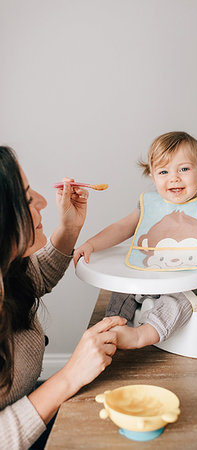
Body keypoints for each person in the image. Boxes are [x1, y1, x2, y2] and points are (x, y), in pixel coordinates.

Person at [74, 131, 197, 350]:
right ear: (153, 177)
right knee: (124, 289)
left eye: (184, 169)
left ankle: (141, 335)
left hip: (190, 282)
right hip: (152, 274)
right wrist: (92, 245)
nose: (174, 177)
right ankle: (112, 326)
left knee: (179, 303)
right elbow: (122, 228)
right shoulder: (149, 206)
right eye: (163, 171)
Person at [0, 146, 126, 450]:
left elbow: (36, 278)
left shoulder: (7, 272)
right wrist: (69, 376)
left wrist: (69, 228)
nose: (43, 201)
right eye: (28, 198)